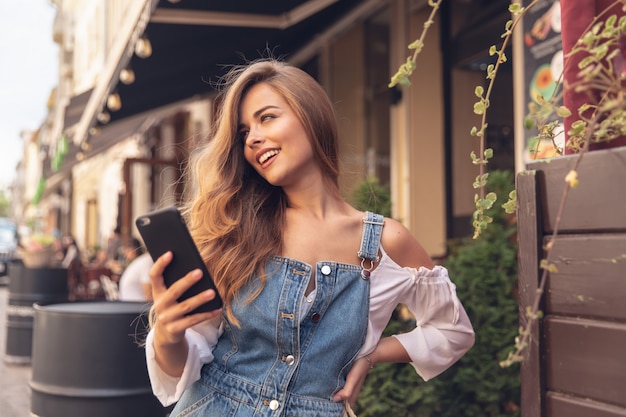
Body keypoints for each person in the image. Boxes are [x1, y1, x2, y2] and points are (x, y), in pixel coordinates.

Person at [145, 59, 475, 416]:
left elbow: (453, 331)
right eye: (243, 133)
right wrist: (167, 335)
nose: (253, 138)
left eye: (267, 117)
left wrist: (372, 354)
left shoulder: (386, 243)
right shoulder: (236, 233)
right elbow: (186, 363)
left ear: (310, 115)